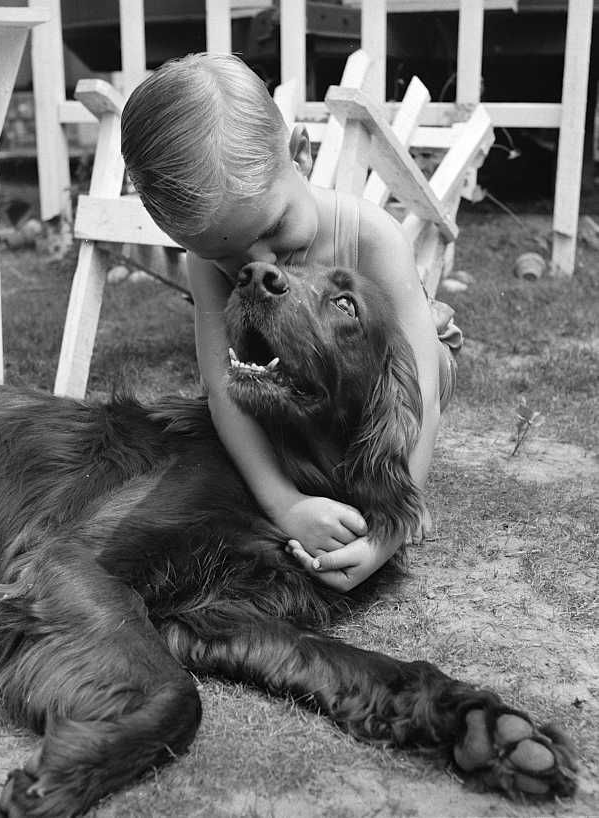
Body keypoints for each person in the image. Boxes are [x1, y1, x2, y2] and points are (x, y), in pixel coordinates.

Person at [121, 52, 460, 592]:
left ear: (300, 156)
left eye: (277, 229)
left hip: (385, 360)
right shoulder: (205, 261)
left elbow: (419, 390)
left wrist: (389, 532)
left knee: (433, 368)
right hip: (287, 371)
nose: (261, 268)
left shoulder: (372, 235)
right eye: (232, 262)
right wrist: (286, 503)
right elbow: (221, 390)